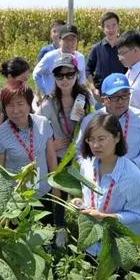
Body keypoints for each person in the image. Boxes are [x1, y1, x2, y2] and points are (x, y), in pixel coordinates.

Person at [37, 53, 93, 246]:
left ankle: (87, 233)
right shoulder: (47, 103)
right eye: (60, 76)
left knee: (83, 190)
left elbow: (91, 124)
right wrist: (51, 142)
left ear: (77, 75)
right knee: (58, 190)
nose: (65, 80)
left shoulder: (85, 98)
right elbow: (39, 128)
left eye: (69, 75)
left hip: (81, 154)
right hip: (58, 155)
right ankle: (59, 228)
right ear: (54, 78)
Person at [71, 114, 140, 256]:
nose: (95, 145)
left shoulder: (132, 175)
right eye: (90, 139)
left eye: (101, 139)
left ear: (117, 137)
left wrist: (105, 217)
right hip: (91, 244)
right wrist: (81, 202)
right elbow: (88, 196)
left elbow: (137, 215)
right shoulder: (86, 165)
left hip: (117, 247)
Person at [0, 84, 58, 203]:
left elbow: (51, 156)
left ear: (29, 103)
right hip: (16, 198)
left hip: (43, 191)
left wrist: (56, 185)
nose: (15, 110)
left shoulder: (43, 123)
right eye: (10, 105)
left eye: (20, 104)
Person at [76, 73, 140, 171]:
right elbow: (79, 149)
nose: (121, 101)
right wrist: (89, 169)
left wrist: (136, 163)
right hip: (97, 176)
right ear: (103, 100)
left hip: (129, 176)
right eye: (115, 97)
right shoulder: (90, 120)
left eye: (125, 95)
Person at [33, 24, 87, 101]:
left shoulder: (80, 57)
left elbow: (82, 79)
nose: (70, 42)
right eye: (66, 39)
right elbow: (36, 74)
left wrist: (81, 96)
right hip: (53, 99)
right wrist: (46, 92)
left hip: (72, 99)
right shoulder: (50, 57)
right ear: (60, 41)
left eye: (73, 39)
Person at [86, 12, 126, 103]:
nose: (111, 29)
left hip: (121, 96)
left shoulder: (124, 48)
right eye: (107, 26)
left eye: (114, 25)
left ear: (118, 26)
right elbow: (88, 70)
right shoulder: (96, 48)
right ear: (103, 29)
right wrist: (93, 89)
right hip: (102, 97)